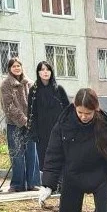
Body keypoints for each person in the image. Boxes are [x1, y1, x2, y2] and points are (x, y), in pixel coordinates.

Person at [28, 60, 71, 198]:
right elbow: (31, 113)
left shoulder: (59, 89)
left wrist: (68, 127)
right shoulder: (34, 91)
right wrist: (33, 131)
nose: (45, 72)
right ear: (38, 72)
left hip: (59, 131)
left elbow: (68, 110)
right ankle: (50, 185)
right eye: (42, 69)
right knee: (47, 159)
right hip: (43, 132)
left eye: (47, 69)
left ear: (51, 72)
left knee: (61, 157)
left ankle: (62, 184)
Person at [0, 57, 38, 192]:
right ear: (9, 69)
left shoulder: (30, 83)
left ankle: (32, 183)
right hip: (14, 124)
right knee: (16, 154)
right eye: (13, 66)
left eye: (18, 65)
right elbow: (8, 106)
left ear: (22, 67)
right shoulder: (5, 85)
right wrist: (24, 120)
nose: (16, 68)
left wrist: (32, 120)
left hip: (31, 124)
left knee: (31, 153)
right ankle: (17, 185)